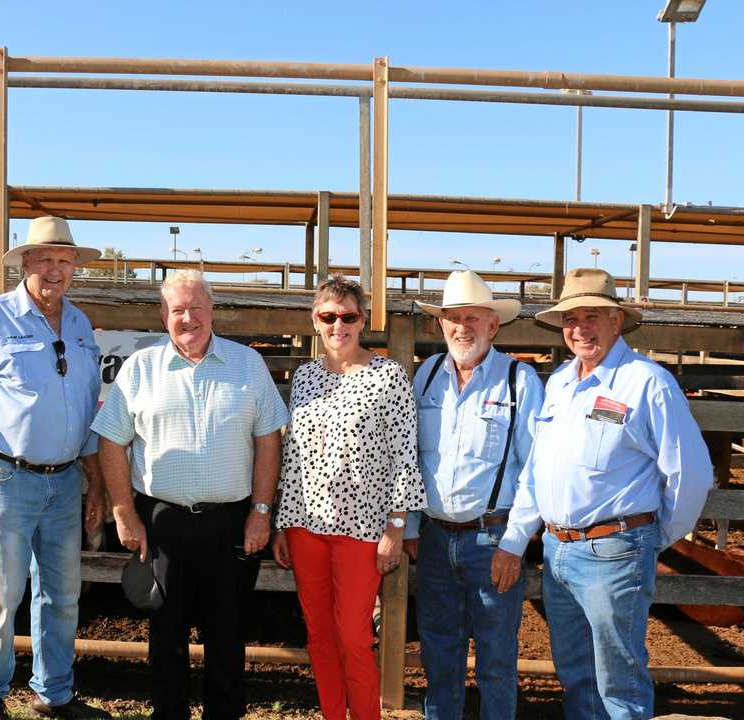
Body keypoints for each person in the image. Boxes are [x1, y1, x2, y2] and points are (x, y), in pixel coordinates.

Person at [493, 268, 713, 720]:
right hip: (558, 549)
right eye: (571, 318)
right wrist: (518, 538)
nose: (580, 328)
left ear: (617, 320)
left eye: (592, 315)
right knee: (575, 672)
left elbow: (689, 474)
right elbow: (537, 470)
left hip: (614, 549)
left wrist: (647, 537)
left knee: (619, 679)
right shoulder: (559, 384)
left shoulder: (647, 383)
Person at [92, 270, 288, 720]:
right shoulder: (140, 368)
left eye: (196, 307)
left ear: (212, 310)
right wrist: (123, 510)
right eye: (178, 309)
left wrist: (261, 511)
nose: (188, 318)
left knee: (228, 632)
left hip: (232, 522)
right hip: (162, 521)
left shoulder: (247, 364)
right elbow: (110, 440)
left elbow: (268, 440)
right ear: (163, 316)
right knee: (166, 632)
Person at [0, 216, 112, 720]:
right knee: (0, 593)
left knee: (62, 593)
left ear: (75, 268)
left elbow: (87, 410)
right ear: (24, 264)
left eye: (64, 261)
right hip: (3, 476)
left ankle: (53, 693)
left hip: (64, 479)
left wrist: (95, 484)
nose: (55, 269)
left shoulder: (81, 325)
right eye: (44, 259)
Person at [270, 275, 425, 720]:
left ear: (362, 321)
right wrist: (284, 522)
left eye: (348, 316)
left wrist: (396, 528)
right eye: (328, 316)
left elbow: (402, 454)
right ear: (315, 321)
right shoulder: (304, 377)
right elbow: (294, 455)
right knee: (319, 634)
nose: (339, 324)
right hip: (305, 528)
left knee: (354, 636)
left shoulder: (388, 375)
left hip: (361, 529)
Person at [404, 270, 543, 720]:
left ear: (492, 325)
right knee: (438, 656)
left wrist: (514, 543)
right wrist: (410, 527)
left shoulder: (519, 381)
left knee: (496, 659)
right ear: (440, 324)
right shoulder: (426, 377)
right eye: (452, 317)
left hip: (492, 539)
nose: (461, 326)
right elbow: (409, 459)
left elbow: (535, 470)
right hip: (434, 537)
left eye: (472, 317)